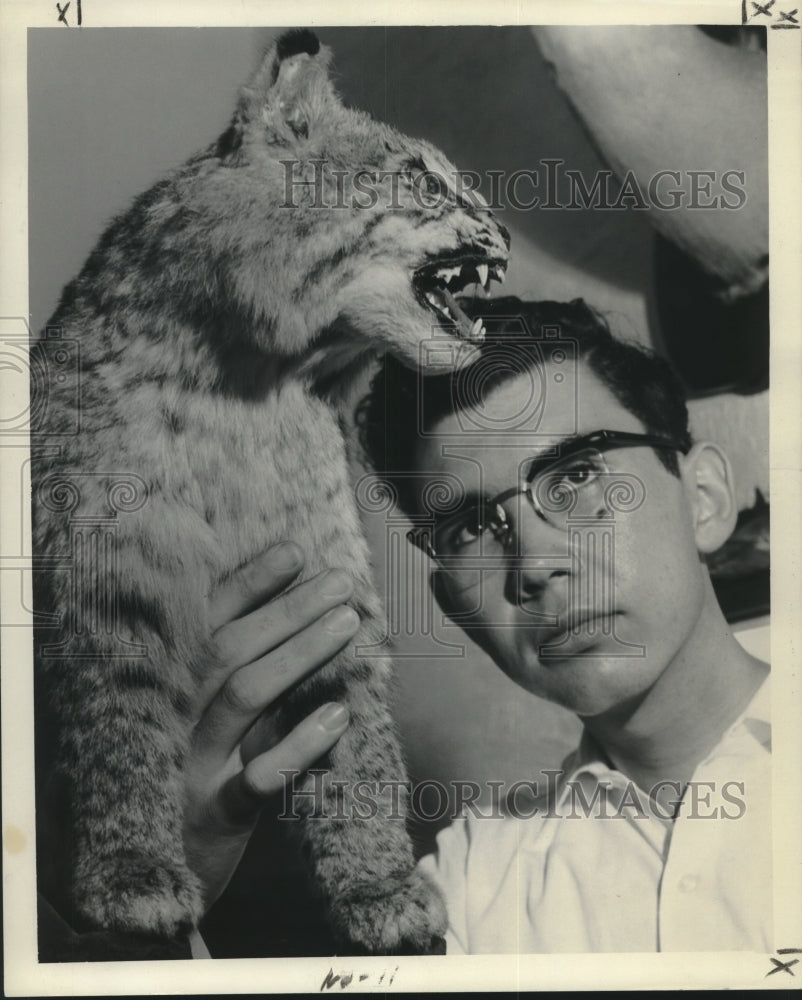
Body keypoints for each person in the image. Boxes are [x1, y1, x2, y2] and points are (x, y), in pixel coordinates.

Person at [38, 297, 771, 959]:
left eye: (576, 477)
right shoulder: (470, 889)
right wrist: (177, 864)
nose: (535, 561)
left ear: (705, 497)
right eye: (470, 527)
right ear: (456, 607)